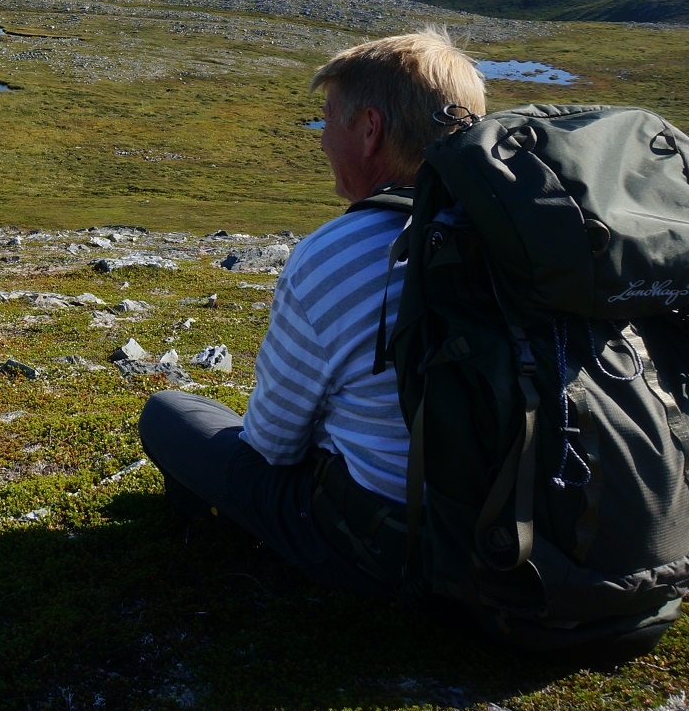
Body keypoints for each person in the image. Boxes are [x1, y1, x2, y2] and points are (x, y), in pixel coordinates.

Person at [136, 29, 486, 594]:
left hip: (404, 551)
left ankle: (197, 545)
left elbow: (271, 446)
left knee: (168, 413)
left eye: (329, 120)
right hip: (551, 538)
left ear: (370, 129)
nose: (322, 140)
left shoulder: (337, 254)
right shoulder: (532, 237)